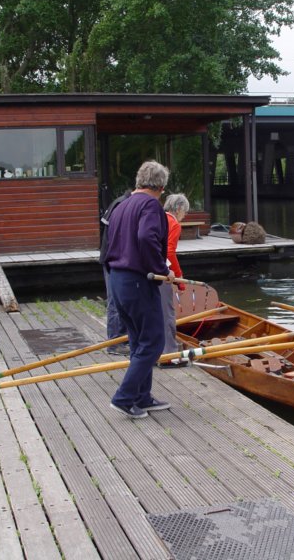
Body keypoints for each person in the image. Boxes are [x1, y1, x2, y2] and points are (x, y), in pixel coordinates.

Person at [103, 160, 174, 419]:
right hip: (137, 280)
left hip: (117, 279)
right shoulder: (150, 205)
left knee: (138, 340)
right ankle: (124, 397)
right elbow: (146, 238)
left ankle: (142, 397)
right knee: (154, 341)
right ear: (161, 186)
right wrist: (162, 270)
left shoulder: (121, 205)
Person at [99, 188, 131, 354]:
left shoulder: (118, 202)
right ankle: (114, 343)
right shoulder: (122, 205)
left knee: (120, 301)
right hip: (112, 260)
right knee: (114, 302)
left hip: (112, 258)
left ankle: (122, 339)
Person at [161, 193, 190, 354]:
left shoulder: (158, 217)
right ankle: (169, 354)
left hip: (145, 270)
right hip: (162, 272)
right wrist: (180, 278)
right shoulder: (173, 223)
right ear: (178, 208)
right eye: (184, 212)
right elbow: (169, 252)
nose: (184, 216)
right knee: (167, 314)